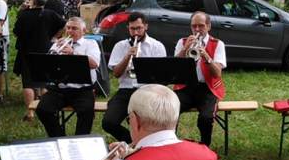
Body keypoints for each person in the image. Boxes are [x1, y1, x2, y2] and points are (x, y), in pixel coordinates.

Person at [103, 12, 167, 143]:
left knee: (152, 123)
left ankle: (151, 143)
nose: (136, 32)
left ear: (146, 26)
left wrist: (142, 63)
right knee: (108, 122)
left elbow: (159, 77)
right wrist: (127, 57)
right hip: (126, 90)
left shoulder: (157, 46)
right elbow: (116, 74)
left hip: (148, 91)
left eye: (139, 28)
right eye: (132, 29)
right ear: (128, 28)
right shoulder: (120, 46)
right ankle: (132, 141)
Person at [36, 17, 100, 136]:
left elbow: (94, 64)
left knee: (86, 111)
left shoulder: (90, 44)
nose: (69, 31)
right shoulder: (58, 44)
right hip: (59, 88)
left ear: (84, 31)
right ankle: (58, 137)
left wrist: (73, 53)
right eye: (68, 28)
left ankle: (80, 140)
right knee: (42, 109)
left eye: (74, 28)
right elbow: (47, 65)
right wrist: (57, 51)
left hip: (82, 89)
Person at [173, 12, 227, 147]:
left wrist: (206, 56)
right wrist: (185, 49)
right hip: (186, 87)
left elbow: (216, 73)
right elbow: (173, 67)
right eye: (194, 26)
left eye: (201, 26)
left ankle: (205, 147)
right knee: (170, 112)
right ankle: (171, 145)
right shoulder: (182, 42)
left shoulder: (217, 44)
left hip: (208, 88)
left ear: (209, 27)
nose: (197, 29)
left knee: (205, 119)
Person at [13, 0, 67, 120]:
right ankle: (45, 108)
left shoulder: (25, 15)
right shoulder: (50, 14)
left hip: (27, 52)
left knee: (28, 83)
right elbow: (65, 26)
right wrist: (54, 36)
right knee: (45, 82)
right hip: (45, 50)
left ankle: (30, 112)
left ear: (33, 0)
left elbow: (15, 32)